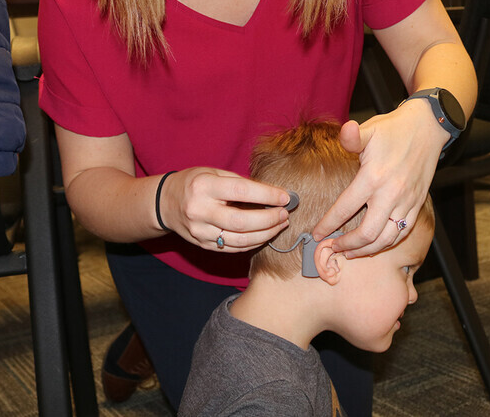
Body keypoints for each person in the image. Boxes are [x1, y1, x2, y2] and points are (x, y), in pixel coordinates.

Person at [37, 0, 477, 413]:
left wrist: (429, 115)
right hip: (172, 252)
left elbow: (438, 49)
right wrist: (166, 200)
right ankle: (154, 331)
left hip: (319, 243)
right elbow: (90, 184)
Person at [179, 121, 435, 416]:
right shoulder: (272, 400)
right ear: (330, 261)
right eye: (405, 270)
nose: (413, 295)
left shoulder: (238, 325)